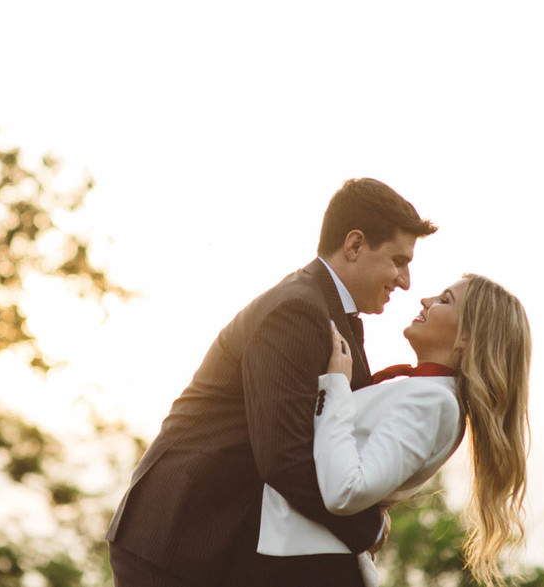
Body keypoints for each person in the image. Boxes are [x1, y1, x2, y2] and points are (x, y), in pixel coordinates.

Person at [106, 178, 437, 587]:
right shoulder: (298, 310)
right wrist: (367, 529)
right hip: (179, 539)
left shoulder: (329, 311)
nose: (405, 281)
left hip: (218, 538)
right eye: (398, 261)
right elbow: (284, 456)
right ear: (354, 245)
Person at [257, 273, 532, 587]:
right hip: (302, 558)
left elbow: (346, 491)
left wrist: (336, 386)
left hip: (313, 566)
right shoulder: (421, 392)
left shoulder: (435, 403)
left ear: (467, 336)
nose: (425, 300)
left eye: (444, 300)